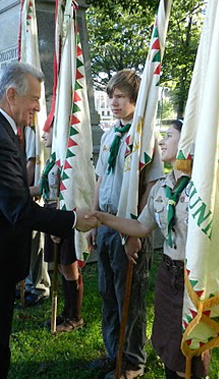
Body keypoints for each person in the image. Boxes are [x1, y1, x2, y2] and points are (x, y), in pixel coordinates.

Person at [0, 62, 99, 379]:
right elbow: (18, 211)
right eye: (33, 98)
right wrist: (72, 220)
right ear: (12, 94)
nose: (36, 107)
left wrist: (32, 188)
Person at [88, 120, 210, 379]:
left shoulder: (203, 189)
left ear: (187, 142)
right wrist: (101, 217)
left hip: (193, 277)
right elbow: (141, 227)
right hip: (168, 275)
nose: (162, 140)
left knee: (190, 350)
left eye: (169, 135)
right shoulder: (161, 188)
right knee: (167, 346)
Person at [87, 70, 163, 379]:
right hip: (105, 223)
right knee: (108, 292)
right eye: (111, 97)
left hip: (128, 228)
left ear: (135, 99)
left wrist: (135, 234)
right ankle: (113, 352)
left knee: (129, 296)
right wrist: (93, 220)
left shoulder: (145, 137)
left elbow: (149, 187)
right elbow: (99, 179)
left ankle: (132, 361)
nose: (114, 103)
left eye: (120, 97)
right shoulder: (109, 135)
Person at [31, 128, 84, 332]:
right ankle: (67, 311)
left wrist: (58, 227)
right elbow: (46, 188)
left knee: (69, 266)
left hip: (65, 216)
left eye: (48, 130)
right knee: (61, 266)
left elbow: (67, 191)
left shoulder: (67, 159)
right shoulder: (54, 158)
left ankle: (75, 316)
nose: (43, 135)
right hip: (52, 214)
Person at [20, 125, 51, 307]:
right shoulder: (17, 127)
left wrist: (22, 191)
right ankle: (29, 283)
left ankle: (39, 286)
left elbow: (32, 162)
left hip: (31, 193)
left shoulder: (33, 129)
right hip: (24, 192)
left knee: (35, 242)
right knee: (26, 243)